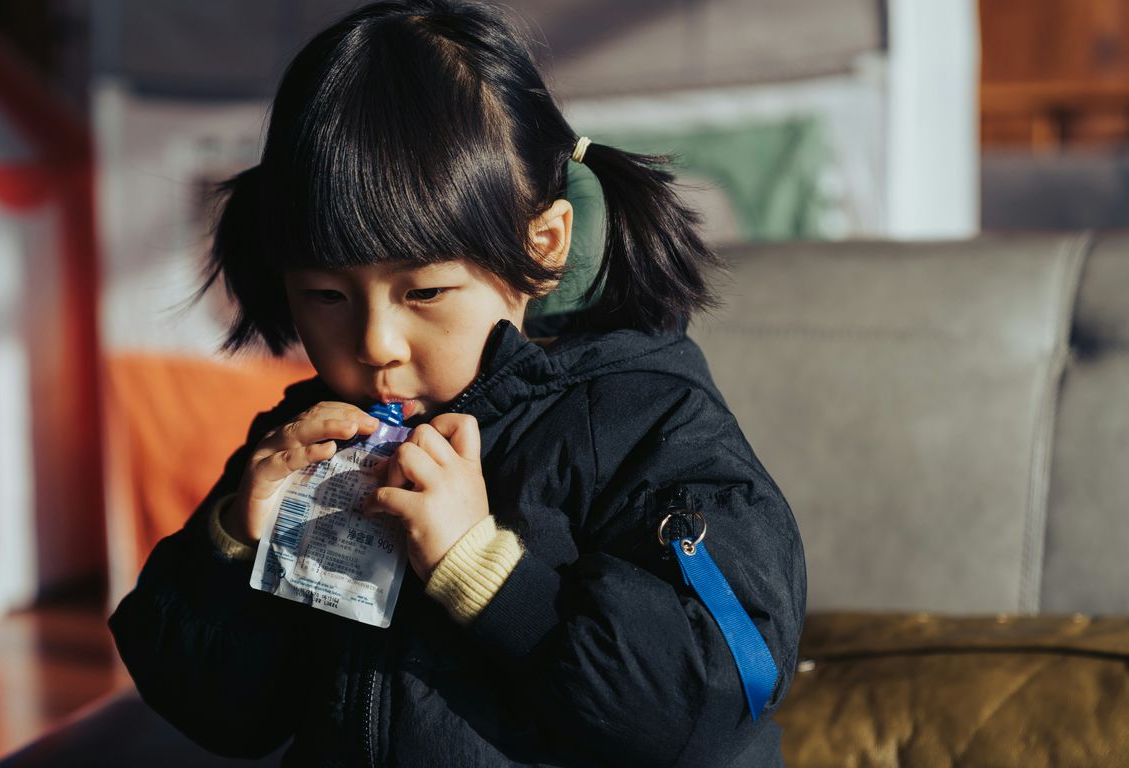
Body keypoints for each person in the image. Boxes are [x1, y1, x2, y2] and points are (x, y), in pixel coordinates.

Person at [108, 1, 807, 766]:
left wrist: (482, 568)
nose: (375, 343)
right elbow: (222, 719)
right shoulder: (310, 439)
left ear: (544, 245)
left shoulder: (648, 425)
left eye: (425, 293)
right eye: (326, 296)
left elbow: (708, 702)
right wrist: (232, 545)